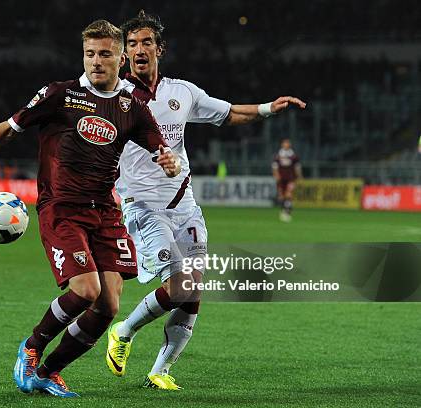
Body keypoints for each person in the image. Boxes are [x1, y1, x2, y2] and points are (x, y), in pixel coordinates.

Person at [0, 19, 180, 398]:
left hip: (105, 212)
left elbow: (159, 147)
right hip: (62, 208)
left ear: (121, 58)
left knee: (108, 306)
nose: (96, 61)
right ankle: (32, 348)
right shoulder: (59, 95)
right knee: (85, 290)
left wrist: (169, 160)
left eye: (105, 54)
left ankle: (49, 372)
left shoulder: (131, 107)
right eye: (89, 54)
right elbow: (9, 127)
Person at [106, 10, 306, 390]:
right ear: (124, 52)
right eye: (131, 44)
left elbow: (228, 112)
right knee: (181, 287)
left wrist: (267, 108)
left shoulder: (182, 92)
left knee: (194, 292)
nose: (138, 50)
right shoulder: (114, 95)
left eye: (146, 42)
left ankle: (160, 371)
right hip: (144, 209)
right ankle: (124, 331)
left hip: (185, 206)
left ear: (159, 48)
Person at [272, 138, 302, 222]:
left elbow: (297, 167)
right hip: (281, 178)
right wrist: (276, 175)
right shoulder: (278, 155)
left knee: (289, 194)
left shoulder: (293, 156)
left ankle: (287, 211)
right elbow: (274, 167)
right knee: (282, 196)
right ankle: (285, 209)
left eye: (287, 143)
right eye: (285, 143)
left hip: (291, 178)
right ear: (282, 144)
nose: (286, 144)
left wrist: (299, 176)